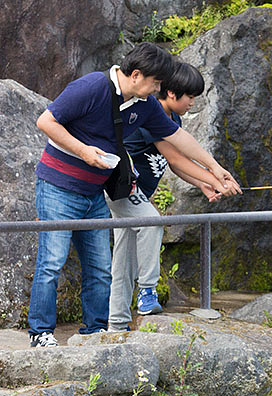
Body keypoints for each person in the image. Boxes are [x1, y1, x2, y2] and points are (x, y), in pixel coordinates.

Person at [28, 42, 241, 348]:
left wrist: (216, 169)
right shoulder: (92, 87)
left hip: (94, 193)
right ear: (137, 75)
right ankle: (41, 333)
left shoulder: (145, 105)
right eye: (156, 82)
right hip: (58, 188)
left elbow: (178, 138)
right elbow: (45, 121)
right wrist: (83, 151)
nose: (159, 89)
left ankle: (95, 333)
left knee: (100, 268)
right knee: (52, 262)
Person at [107, 61, 238, 332]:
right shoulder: (151, 116)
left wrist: (202, 184)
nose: (192, 103)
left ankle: (117, 324)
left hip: (138, 195)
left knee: (125, 257)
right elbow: (176, 157)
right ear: (171, 93)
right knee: (152, 223)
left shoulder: (173, 119)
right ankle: (147, 291)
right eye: (189, 96)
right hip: (123, 190)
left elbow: (175, 165)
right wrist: (215, 179)